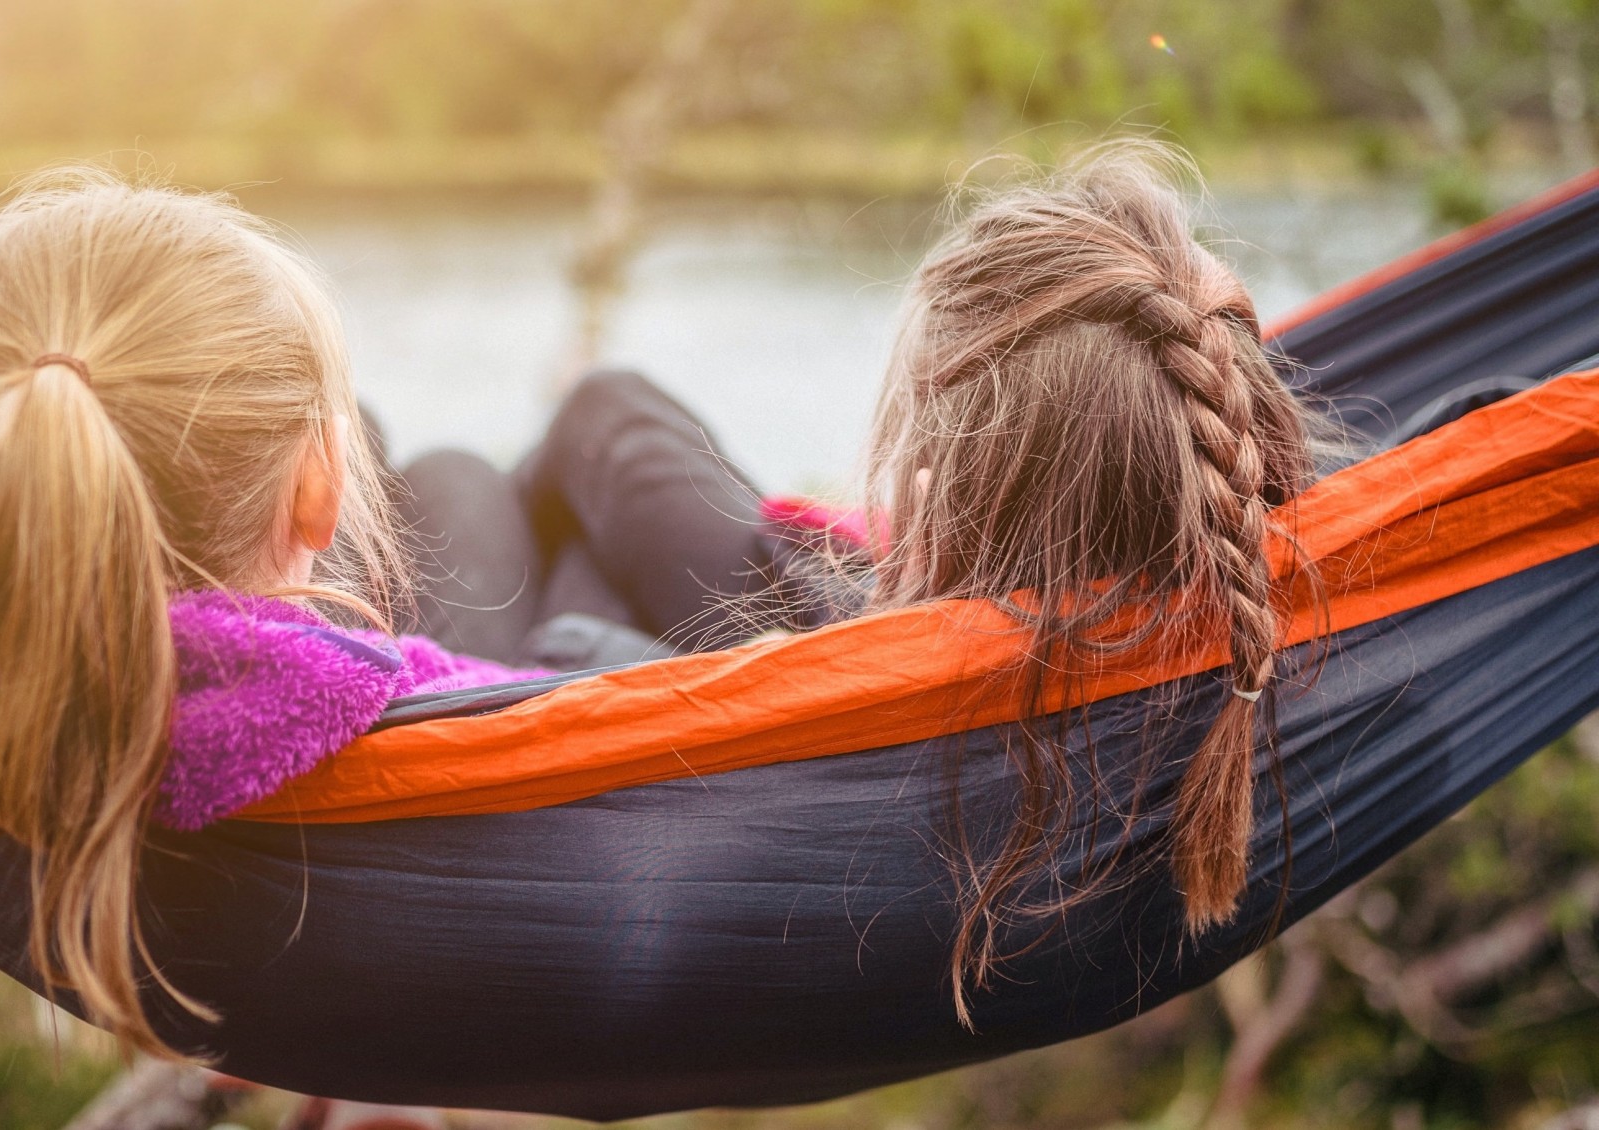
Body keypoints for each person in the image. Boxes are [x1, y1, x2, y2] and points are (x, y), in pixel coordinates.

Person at [411, 141, 1327, 1017]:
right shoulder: (1290, 608)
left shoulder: (875, 765)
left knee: (467, 473)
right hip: (883, 631)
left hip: (780, 695)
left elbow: (571, 660)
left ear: (932, 499)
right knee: (590, 433)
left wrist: (895, 634)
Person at [0, 169, 545, 1062]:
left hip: (277, 953)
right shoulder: (405, 699)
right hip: (510, 773)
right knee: (558, 437)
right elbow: (587, 708)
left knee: (409, 446)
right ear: (321, 493)